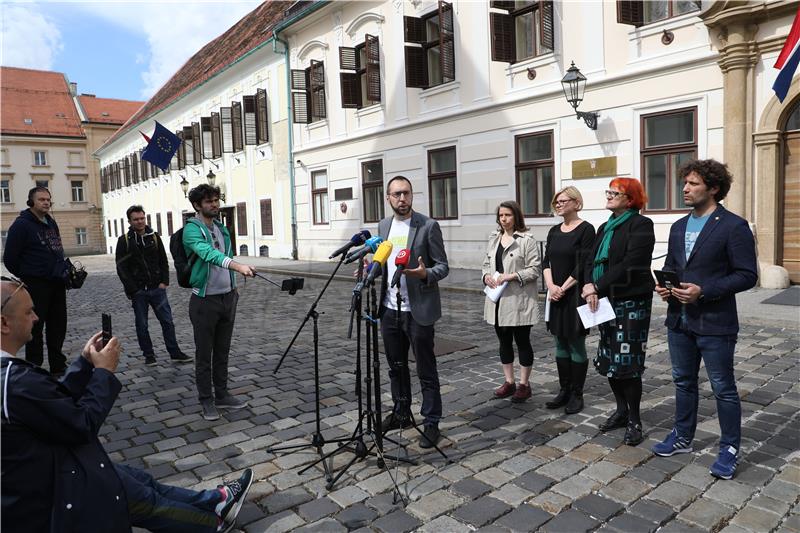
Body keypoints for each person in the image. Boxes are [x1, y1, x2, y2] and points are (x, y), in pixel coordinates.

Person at [0, 277, 253, 533]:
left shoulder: (14, 378)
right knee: (142, 500)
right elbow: (81, 424)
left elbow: (52, 402)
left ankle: (217, 501)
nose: (36, 317)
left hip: (61, 466)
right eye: (28, 311)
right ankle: (213, 525)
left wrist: (85, 363)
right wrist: (103, 373)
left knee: (140, 480)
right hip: (57, 489)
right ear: (3, 323)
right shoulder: (14, 382)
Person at [651, 159, 757, 480]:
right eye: (685, 183)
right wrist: (665, 287)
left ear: (713, 188)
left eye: (693, 183)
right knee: (683, 382)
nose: (685, 188)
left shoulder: (733, 226)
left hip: (715, 321)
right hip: (679, 320)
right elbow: (672, 265)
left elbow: (747, 275)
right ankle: (682, 437)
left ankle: (729, 448)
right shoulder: (678, 226)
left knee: (723, 387)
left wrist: (705, 290)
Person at [582, 178, 655, 446]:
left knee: (628, 363)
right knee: (610, 359)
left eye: (616, 192)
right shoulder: (605, 227)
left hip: (631, 301)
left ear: (631, 198)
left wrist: (596, 285)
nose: (609, 195)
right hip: (604, 301)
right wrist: (589, 284)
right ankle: (621, 410)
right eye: (609, 191)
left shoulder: (641, 225)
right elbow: (590, 259)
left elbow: (631, 262)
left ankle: (635, 419)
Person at [378, 175, 449, 448]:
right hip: (389, 309)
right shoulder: (383, 226)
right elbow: (382, 264)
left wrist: (424, 274)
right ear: (388, 198)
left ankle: (431, 422)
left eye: (406, 193)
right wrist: (368, 270)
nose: (402, 198)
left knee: (425, 368)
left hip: (418, 310)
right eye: (396, 194)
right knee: (395, 367)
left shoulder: (428, 226)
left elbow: (442, 266)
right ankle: (401, 411)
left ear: (412, 195)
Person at [183, 185, 255, 421]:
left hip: (227, 297)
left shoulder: (222, 228)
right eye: (208, 201)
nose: (214, 204)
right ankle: (206, 401)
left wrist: (233, 287)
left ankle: (222, 394)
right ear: (197, 205)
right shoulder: (191, 230)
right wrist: (238, 268)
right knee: (204, 354)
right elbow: (209, 255)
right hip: (204, 301)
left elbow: (228, 255)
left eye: (216, 200)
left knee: (222, 352)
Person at [2, 186, 68, 375]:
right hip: (36, 285)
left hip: (57, 282)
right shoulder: (21, 225)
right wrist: (28, 275)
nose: (46, 202)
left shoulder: (51, 222)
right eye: (41, 200)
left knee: (58, 325)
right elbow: (10, 258)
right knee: (35, 326)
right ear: (31, 202)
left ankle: (58, 363)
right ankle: (35, 366)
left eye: (48, 199)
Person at [542, 186, 596, 414]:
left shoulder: (586, 229)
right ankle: (563, 390)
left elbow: (583, 263)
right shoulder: (554, 230)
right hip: (555, 294)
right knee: (559, 342)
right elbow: (546, 262)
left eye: (563, 200)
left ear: (576, 202)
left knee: (575, 342)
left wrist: (562, 287)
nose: (559, 204)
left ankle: (576, 393)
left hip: (574, 294)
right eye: (557, 201)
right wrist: (551, 286)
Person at [116, 205, 190, 366]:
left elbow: (163, 260)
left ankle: (175, 352)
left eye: (142, 218)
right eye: (136, 219)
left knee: (167, 322)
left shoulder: (154, 237)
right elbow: (121, 267)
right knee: (142, 324)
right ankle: (149, 355)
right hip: (139, 291)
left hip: (157, 288)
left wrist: (164, 282)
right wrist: (133, 289)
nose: (140, 221)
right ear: (129, 221)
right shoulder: (124, 241)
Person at [482, 200, 540, 403]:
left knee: (522, 342)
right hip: (497, 300)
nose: (504, 219)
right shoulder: (494, 238)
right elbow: (486, 264)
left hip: (518, 300)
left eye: (507, 215)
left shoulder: (526, 240)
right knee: (503, 342)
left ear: (516, 216)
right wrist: (486, 277)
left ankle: (524, 385)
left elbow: (534, 270)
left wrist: (511, 276)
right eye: (501, 216)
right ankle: (509, 382)